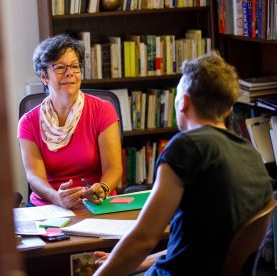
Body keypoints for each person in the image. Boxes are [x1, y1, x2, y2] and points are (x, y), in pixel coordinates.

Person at [93, 51, 273, 275]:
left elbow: (144, 238)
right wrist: (140, 263)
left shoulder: (186, 147)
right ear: (228, 109)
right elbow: (203, 245)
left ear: (183, 103)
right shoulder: (251, 154)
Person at [18, 34, 122, 208]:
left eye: (75, 66)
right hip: (49, 206)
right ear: (44, 76)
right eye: (60, 68)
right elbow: (34, 177)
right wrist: (56, 197)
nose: (70, 73)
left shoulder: (103, 110)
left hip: (96, 203)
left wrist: (102, 189)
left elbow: (114, 168)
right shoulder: (28, 122)